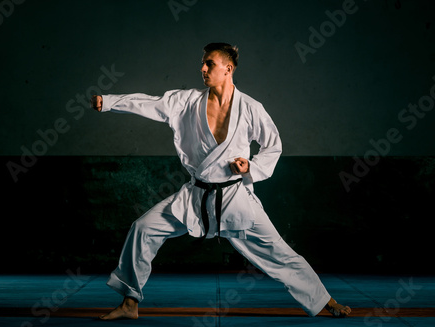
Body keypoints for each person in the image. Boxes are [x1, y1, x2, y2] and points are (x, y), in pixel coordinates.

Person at [90, 43, 351, 320]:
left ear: (228, 68)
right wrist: (109, 102)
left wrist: (250, 166)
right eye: (203, 63)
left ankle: (325, 300)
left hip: (235, 198)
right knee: (142, 228)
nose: (202, 69)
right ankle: (130, 302)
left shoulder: (251, 107)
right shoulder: (187, 101)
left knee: (280, 254)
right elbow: (151, 103)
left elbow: (273, 146)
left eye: (209, 64)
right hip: (195, 196)